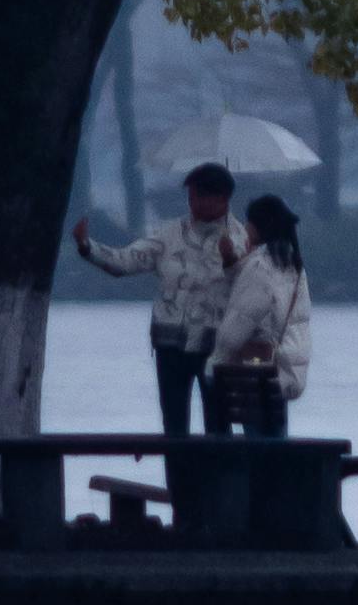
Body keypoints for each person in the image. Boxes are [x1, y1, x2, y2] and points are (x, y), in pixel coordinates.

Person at [71, 166, 242, 461]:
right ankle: (180, 499)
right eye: (191, 196)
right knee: (173, 431)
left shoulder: (240, 238)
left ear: (223, 199)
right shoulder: (169, 234)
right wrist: (88, 248)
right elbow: (126, 262)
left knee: (219, 429)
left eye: (201, 196)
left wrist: (231, 261)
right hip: (170, 344)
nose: (194, 203)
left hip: (217, 348)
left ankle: (219, 499)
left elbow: (249, 290)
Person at [205, 192, 312, 439]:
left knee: (257, 445)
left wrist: (213, 362)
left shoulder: (260, 267)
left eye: (248, 221)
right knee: (276, 442)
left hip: (254, 375)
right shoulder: (293, 266)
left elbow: (235, 330)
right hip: (284, 367)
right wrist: (231, 262)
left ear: (257, 226)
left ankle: (230, 474)